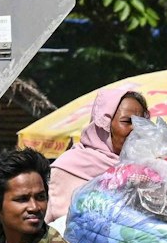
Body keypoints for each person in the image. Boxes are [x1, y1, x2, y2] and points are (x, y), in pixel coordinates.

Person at [47, 86, 148, 224]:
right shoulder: (66, 168)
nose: (135, 129)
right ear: (104, 125)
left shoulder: (148, 170)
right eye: (127, 121)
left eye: (141, 123)